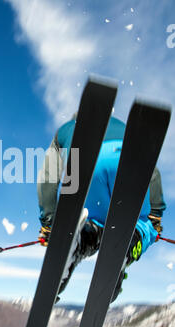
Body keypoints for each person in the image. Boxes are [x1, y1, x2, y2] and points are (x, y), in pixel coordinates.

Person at [37, 113, 166, 303]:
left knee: (96, 222)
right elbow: (151, 170)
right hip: (127, 161)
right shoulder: (123, 127)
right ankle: (125, 249)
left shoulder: (64, 131)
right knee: (143, 226)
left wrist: (49, 224)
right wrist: (155, 216)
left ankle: (80, 241)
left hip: (82, 167)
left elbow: (47, 177)